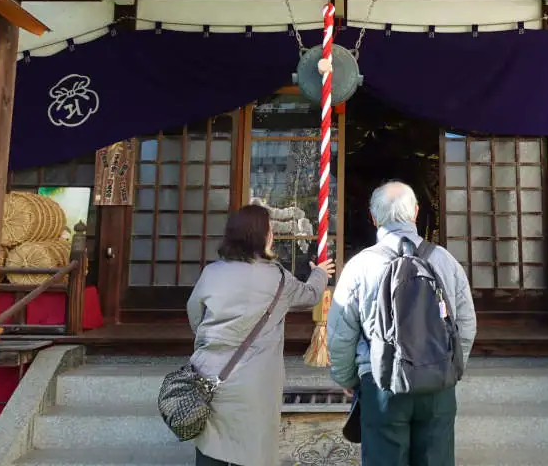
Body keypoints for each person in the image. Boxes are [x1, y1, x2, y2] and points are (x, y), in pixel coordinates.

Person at [326, 181, 477, 466]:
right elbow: (466, 325)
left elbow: (340, 334)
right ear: (416, 213)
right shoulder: (445, 260)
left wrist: (348, 378)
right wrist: (452, 367)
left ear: (373, 217)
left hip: (381, 382)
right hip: (438, 382)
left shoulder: (359, 266)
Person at [187, 204, 335, 466]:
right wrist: (320, 273)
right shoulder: (277, 278)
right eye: (270, 231)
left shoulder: (212, 273)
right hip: (255, 383)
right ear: (262, 237)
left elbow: (195, 315)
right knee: (252, 450)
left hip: (209, 378)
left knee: (211, 446)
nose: (273, 236)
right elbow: (310, 294)